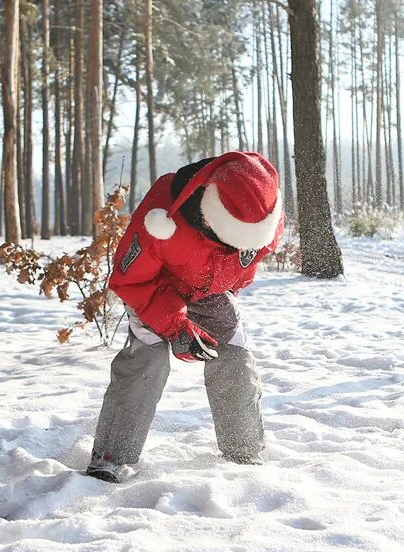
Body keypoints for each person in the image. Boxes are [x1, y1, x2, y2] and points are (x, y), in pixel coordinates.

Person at [86, 151, 283, 483]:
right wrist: (175, 326)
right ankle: (111, 457)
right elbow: (129, 280)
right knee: (147, 359)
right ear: (209, 217)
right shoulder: (160, 219)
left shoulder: (263, 213)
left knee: (234, 354)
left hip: (211, 287)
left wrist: (227, 289)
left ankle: (244, 450)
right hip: (152, 287)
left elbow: (247, 262)